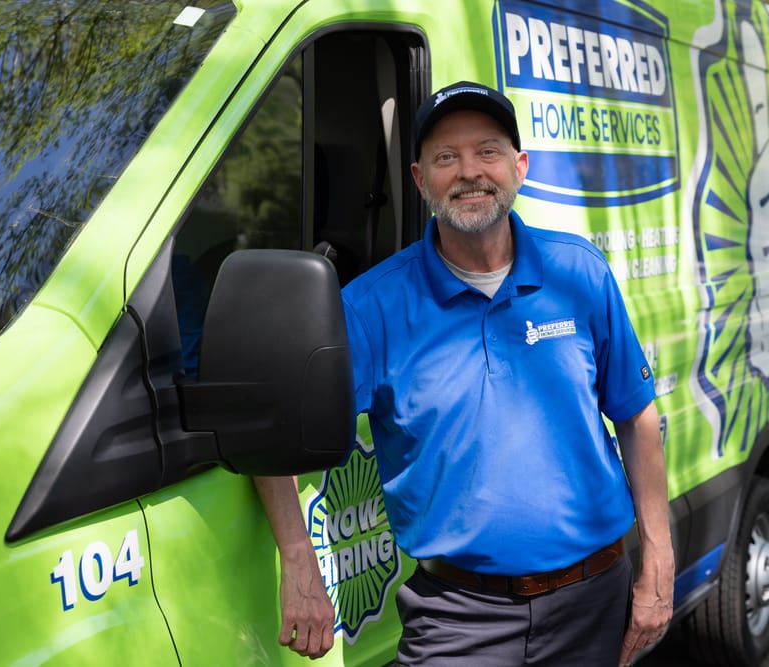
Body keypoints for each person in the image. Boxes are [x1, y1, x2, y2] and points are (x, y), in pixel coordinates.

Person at [255, 80, 674, 666]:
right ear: (420, 179)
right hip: (456, 619)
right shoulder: (370, 307)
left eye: (488, 151)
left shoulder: (578, 272)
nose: (469, 172)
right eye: (446, 157)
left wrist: (659, 558)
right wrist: (297, 560)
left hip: (594, 601)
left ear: (519, 166)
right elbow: (276, 437)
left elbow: (636, 415)